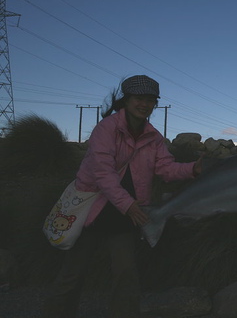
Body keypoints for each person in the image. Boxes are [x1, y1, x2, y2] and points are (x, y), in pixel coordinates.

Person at [42, 75, 203, 318]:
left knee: (126, 275)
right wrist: (127, 205)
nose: (145, 105)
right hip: (91, 211)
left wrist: (192, 169)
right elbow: (102, 172)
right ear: (126, 100)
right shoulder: (106, 128)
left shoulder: (154, 137)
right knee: (72, 274)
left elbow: (165, 168)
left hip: (126, 215)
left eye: (150, 100)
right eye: (140, 99)